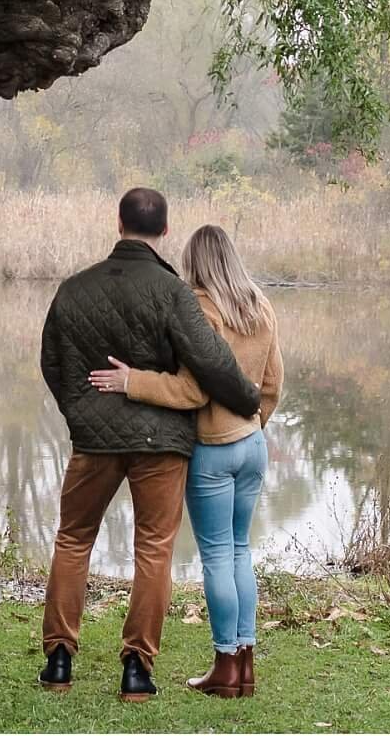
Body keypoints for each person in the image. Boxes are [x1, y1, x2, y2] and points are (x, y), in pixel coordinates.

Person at [36, 187, 262, 702]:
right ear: (164, 231)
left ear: (118, 224)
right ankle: (137, 668)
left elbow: (52, 364)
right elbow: (211, 361)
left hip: (95, 441)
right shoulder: (173, 291)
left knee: (73, 540)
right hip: (161, 441)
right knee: (154, 550)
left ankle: (58, 660)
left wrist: (81, 412)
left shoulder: (74, 289)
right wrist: (248, 399)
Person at [86, 223, 284, 699]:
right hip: (253, 444)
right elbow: (274, 383)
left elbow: (189, 389)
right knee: (240, 551)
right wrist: (255, 427)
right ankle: (246, 667)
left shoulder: (198, 308)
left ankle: (224, 666)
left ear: (195, 263)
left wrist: (133, 381)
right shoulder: (259, 304)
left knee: (216, 554)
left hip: (213, 449)